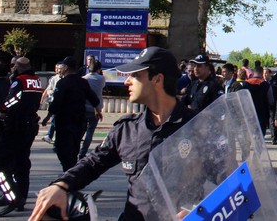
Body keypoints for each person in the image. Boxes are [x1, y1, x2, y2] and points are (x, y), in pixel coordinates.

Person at [29, 47, 193, 221]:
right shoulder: (127, 129)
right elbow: (93, 163)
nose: (127, 82)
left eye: (135, 76)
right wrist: (61, 185)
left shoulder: (197, 126)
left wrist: (198, 210)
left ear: (157, 79)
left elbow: (223, 180)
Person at [0, 57, 43, 216]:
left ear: (19, 67)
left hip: (16, 126)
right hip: (30, 125)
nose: (11, 67)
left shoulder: (19, 80)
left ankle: (12, 197)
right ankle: (21, 198)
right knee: (22, 163)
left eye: (13, 65)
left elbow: (13, 99)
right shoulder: (36, 81)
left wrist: (2, 109)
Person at [45, 56, 100, 171]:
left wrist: (47, 117)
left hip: (65, 121)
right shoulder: (83, 82)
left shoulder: (63, 83)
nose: (61, 69)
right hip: (80, 120)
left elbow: (56, 102)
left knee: (61, 148)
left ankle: (68, 172)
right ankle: (72, 172)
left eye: (63, 67)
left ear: (66, 68)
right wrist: (97, 110)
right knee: (74, 148)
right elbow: (93, 98)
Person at [78, 60, 105, 159]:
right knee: (90, 131)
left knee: (81, 129)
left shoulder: (84, 78)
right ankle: (83, 152)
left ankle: (76, 148)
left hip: (84, 107)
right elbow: (102, 86)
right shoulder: (101, 79)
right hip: (96, 108)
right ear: (99, 69)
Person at [39, 63, 62, 144]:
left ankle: (50, 136)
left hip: (61, 103)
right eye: (57, 68)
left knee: (55, 120)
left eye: (59, 68)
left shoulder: (65, 79)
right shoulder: (53, 78)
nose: (58, 70)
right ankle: (50, 135)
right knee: (54, 119)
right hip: (53, 101)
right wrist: (44, 96)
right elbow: (48, 89)